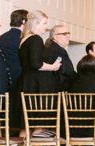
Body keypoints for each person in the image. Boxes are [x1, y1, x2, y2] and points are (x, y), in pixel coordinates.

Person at [16, 11, 62, 139]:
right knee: (35, 128)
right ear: (35, 23)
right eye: (44, 23)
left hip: (27, 83)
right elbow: (36, 64)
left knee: (26, 125)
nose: (46, 27)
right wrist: (53, 67)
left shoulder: (24, 38)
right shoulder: (35, 39)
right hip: (34, 86)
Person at [0, 9, 28, 87]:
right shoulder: (22, 38)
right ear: (23, 21)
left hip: (2, 78)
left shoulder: (1, 37)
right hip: (19, 79)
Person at [44, 25, 76, 91]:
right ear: (55, 36)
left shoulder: (53, 48)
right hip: (59, 91)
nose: (68, 36)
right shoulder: (57, 50)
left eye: (68, 33)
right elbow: (68, 72)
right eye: (64, 34)